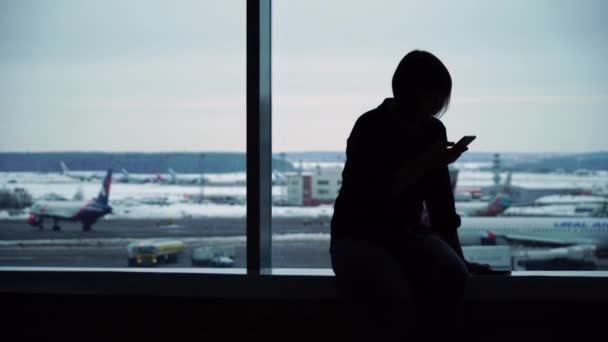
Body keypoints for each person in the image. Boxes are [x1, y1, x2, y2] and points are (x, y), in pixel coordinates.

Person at [330, 50, 491, 338]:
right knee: (395, 298)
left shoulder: (430, 129)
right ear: (414, 92)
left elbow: (441, 204)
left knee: (451, 277)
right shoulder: (371, 127)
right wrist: (428, 161)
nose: (437, 105)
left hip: (391, 235)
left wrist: (459, 259)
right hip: (359, 235)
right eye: (434, 97)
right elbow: (374, 195)